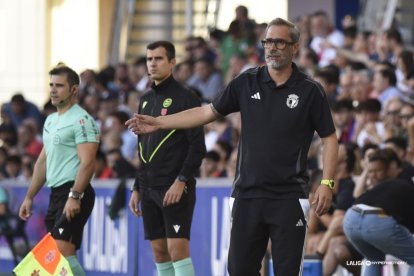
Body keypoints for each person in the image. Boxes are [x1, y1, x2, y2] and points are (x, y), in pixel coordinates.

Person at [126, 18, 338, 276]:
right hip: (247, 194)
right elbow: (207, 112)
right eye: (268, 41)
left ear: (295, 47)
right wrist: (160, 123)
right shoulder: (247, 82)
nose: (272, 47)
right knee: (239, 270)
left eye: (280, 42)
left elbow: (329, 137)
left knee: (287, 271)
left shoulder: (310, 90)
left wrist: (327, 183)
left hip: (289, 196)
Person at [128, 41, 206, 276]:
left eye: (159, 58)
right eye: (149, 59)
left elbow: (198, 147)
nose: (153, 63)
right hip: (149, 188)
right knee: (159, 251)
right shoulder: (145, 99)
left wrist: (181, 180)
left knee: (177, 249)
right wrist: (137, 187)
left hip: (175, 187)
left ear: (172, 62)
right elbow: (143, 148)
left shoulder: (187, 98)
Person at [18, 64, 100, 275]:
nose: (53, 90)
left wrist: (75, 195)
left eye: (59, 86)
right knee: (62, 258)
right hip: (57, 193)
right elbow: (42, 163)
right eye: (51, 85)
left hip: (74, 192)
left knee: (61, 254)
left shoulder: (82, 120)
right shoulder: (51, 120)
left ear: (74, 90)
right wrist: (29, 196)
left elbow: (88, 162)